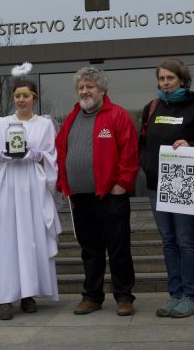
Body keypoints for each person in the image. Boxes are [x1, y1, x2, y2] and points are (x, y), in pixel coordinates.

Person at [55, 66, 138, 316]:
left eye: (89, 86)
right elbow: (61, 150)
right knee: (90, 251)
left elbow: (129, 151)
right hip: (80, 197)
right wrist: (63, 183)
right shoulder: (71, 118)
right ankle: (92, 296)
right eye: (81, 87)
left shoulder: (117, 115)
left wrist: (122, 183)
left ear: (102, 89)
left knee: (118, 248)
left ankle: (124, 297)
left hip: (111, 196)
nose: (84, 91)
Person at [0, 78, 62, 320]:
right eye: (17, 95)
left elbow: (52, 155)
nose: (21, 100)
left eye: (26, 95)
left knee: (31, 238)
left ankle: (28, 294)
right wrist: (2, 155)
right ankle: (5, 297)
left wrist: (35, 155)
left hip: (32, 187)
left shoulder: (44, 125)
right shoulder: (2, 123)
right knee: (7, 239)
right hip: (7, 186)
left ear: (34, 98)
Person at [139, 59, 194, 318]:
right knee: (168, 241)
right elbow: (142, 142)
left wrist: (191, 145)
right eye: (162, 79)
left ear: (182, 79)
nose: (165, 83)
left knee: (185, 240)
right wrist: (146, 165)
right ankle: (175, 295)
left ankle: (189, 296)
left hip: (182, 180)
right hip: (156, 183)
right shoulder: (152, 107)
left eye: (170, 78)